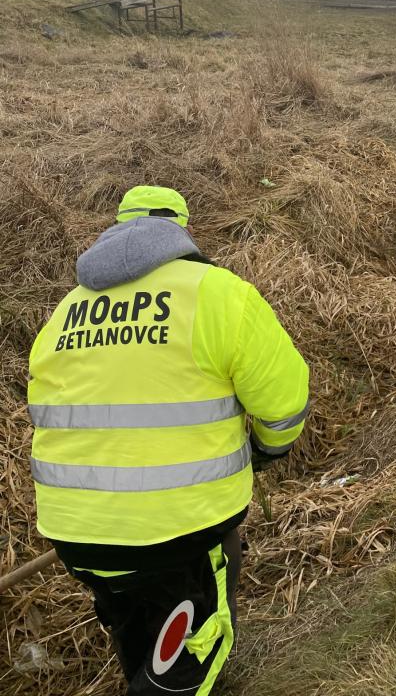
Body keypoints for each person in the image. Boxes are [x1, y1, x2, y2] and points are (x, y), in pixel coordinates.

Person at [27, 185, 309, 695]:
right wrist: (268, 448)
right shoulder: (217, 293)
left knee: (138, 629)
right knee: (195, 649)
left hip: (74, 532)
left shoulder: (65, 312)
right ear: (183, 229)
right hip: (181, 531)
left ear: (114, 227)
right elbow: (283, 401)